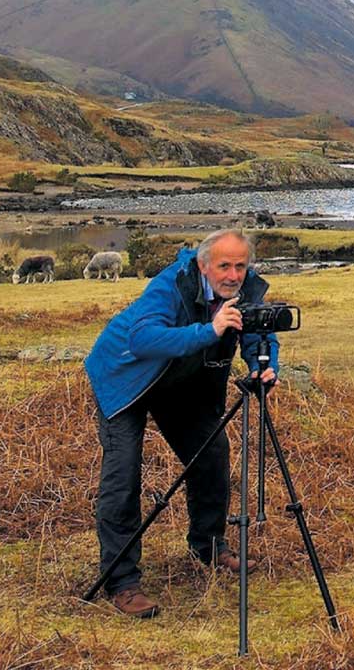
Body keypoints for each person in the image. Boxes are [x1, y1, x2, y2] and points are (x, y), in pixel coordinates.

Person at [84, 229, 278, 619]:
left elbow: (259, 332)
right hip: (126, 380)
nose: (233, 275)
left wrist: (266, 364)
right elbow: (141, 339)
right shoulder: (171, 283)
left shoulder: (248, 286)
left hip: (183, 381)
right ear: (204, 265)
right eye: (224, 266)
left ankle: (208, 547)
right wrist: (210, 331)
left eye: (241, 266)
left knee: (212, 456)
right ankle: (121, 582)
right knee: (123, 477)